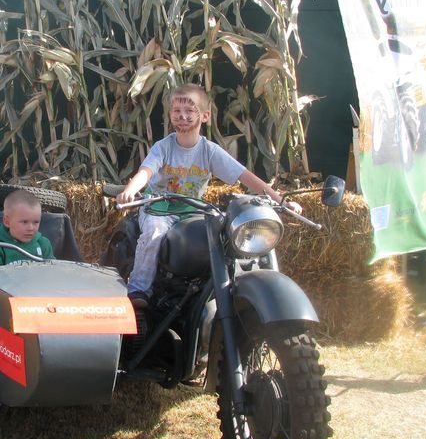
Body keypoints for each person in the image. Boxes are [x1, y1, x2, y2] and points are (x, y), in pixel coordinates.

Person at [116, 84, 300, 309]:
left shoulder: (209, 151)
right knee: (154, 232)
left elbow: (245, 175)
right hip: (159, 209)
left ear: (205, 116)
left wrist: (281, 201)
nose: (182, 116)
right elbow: (146, 171)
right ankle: (138, 290)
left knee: (227, 233)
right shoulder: (162, 148)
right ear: (170, 114)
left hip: (193, 210)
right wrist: (130, 190)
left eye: (190, 111)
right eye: (176, 111)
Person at [0, 190, 55, 267]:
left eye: (36, 222)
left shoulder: (43, 244)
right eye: (24, 222)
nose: (31, 228)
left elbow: (52, 271)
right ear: (7, 222)